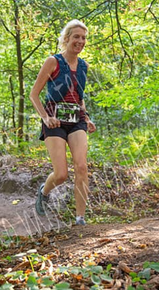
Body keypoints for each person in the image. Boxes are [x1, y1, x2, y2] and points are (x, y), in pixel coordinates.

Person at [29, 19, 96, 226]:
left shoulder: (84, 66)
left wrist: (86, 117)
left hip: (76, 120)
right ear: (66, 38)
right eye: (76, 36)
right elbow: (34, 94)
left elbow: (79, 96)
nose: (80, 41)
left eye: (83, 38)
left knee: (82, 167)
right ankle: (44, 191)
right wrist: (45, 117)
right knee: (61, 175)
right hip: (55, 121)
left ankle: (80, 219)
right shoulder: (53, 62)